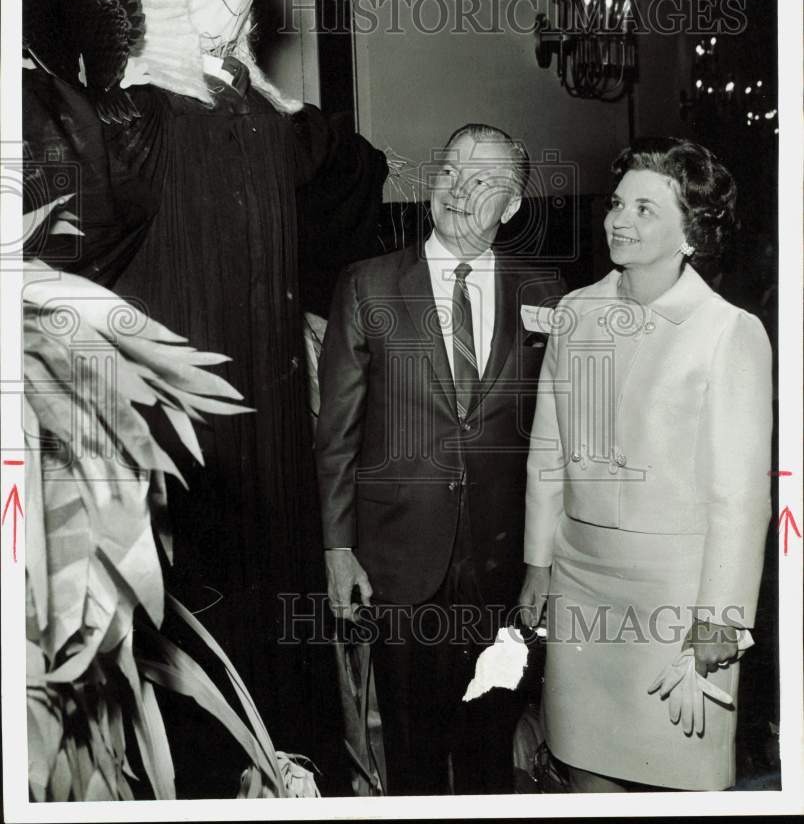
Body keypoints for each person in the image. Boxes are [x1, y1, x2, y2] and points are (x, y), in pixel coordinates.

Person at [22, 0, 387, 793]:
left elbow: (354, 171)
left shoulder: (265, 126)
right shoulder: (134, 123)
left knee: (282, 676)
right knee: (199, 685)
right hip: (182, 460)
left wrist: (271, 94)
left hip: (272, 454)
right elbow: (56, 220)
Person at [316, 124, 564, 794]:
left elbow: (558, 435)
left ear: (511, 207)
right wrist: (339, 548)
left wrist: (546, 559)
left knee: (490, 742)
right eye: (451, 171)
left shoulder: (543, 293)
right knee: (412, 750)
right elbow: (337, 430)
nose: (459, 189)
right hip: (399, 558)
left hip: (502, 562)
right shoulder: (368, 286)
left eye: (483, 180)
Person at [518, 137, 773, 792]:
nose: (619, 221)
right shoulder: (575, 314)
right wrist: (537, 564)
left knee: (681, 780)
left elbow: (740, 496)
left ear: (692, 231)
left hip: (678, 599)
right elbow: (548, 448)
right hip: (579, 587)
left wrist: (723, 613)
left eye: (645, 209)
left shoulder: (728, 332)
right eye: (616, 203)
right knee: (581, 768)